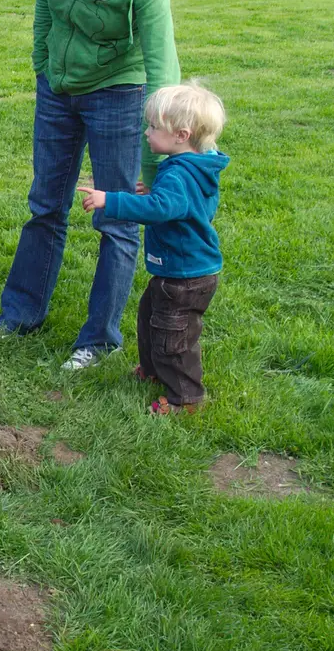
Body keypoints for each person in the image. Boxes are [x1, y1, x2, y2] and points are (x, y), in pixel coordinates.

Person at [0, 0, 179, 370]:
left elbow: (161, 57)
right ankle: (20, 315)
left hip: (117, 91)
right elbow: (45, 0)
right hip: (58, 88)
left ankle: (98, 339)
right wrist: (43, 65)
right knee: (45, 203)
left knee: (117, 218)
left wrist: (158, 171)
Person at [77, 82, 228, 412]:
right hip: (180, 270)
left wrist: (111, 200)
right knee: (149, 317)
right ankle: (153, 371)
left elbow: (162, 209)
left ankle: (186, 398)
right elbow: (181, 205)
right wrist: (155, 192)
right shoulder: (195, 166)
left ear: (181, 135)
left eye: (154, 127)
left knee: (173, 336)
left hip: (185, 275)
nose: (147, 133)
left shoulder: (178, 175)